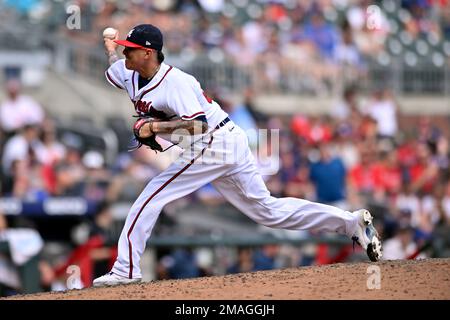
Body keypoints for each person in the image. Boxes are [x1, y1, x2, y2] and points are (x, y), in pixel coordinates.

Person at [93, 24, 382, 287]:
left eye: (130, 50)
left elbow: (198, 125)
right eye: (124, 49)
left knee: (152, 195)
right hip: (228, 143)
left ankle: (126, 269)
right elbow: (115, 67)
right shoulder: (129, 72)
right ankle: (349, 222)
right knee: (267, 211)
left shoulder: (176, 83)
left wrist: (153, 126)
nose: (125, 53)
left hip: (212, 140)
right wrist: (110, 49)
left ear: (148, 53)